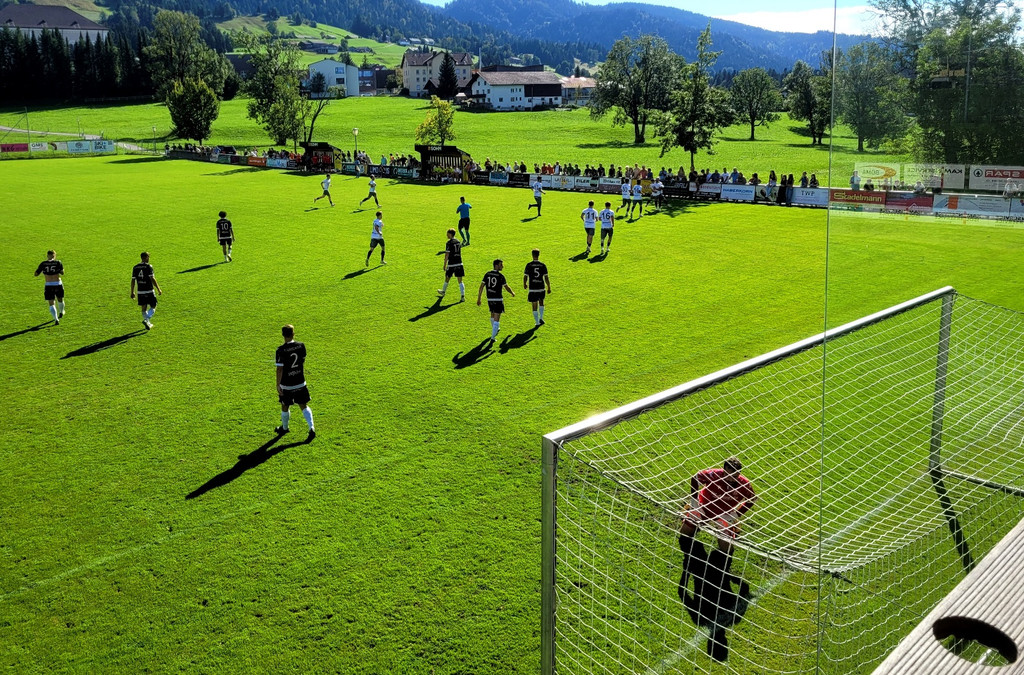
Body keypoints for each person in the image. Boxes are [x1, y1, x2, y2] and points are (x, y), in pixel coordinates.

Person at [680, 457, 756, 557]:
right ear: (723, 471)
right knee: (684, 534)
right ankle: (690, 511)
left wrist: (734, 515)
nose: (731, 479)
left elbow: (752, 499)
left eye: (735, 476)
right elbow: (695, 478)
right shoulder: (713, 474)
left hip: (724, 514)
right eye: (729, 475)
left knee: (726, 549)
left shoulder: (744, 484)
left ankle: (733, 527)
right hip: (703, 507)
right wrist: (695, 503)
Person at [274, 324, 316, 442]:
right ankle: (311, 428)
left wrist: (278, 384)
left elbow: (279, 369)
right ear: (293, 334)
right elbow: (302, 360)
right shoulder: (301, 346)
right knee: (303, 405)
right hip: (300, 381)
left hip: (287, 384)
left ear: (283, 335)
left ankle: (285, 428)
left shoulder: (280, 350)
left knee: (285, 405)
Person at [477, 259, 515, 344]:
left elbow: (481, 287)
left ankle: (495, 329)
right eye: (501, 265)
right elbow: (506, 287)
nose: (502, 266)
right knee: (497, 318)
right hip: (498, 299)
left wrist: (479, 298)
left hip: (490, 299)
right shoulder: (500, 276)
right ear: (496, 265)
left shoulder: (487, 274)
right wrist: (512, 292)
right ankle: (493, 338)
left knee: (492, 314)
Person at [130, 251, 162, 330]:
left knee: (144, 307)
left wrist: (132, 292)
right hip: (149, 290)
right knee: (154, 305)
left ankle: (147, 322)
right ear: (147, 257)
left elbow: (133, 280)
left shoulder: (135, 267)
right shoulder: (149, 266)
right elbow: (152, 279)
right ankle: (147, 320)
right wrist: (158, 289)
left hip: (140, 291)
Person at [34, 249, 65, 325]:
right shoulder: (58, 262)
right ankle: (61, 312)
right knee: (60, 299)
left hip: (48, 285)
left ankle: (56, 319)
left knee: (51, 303)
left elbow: (36, 274)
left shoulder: (43, 264)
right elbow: (62, 272)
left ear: (47, 255)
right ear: (54, 255)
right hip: (58, 284)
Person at [523, 249, 551, 327]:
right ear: (539, 255)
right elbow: (546, 277)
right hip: (541, 287)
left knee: (534, 304)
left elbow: (525, 276)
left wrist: (524, 284)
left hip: (533, 288)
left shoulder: (529, 265)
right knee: (541, 302)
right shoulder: (542, 265)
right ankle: (541, 318)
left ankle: (537, 322)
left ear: (532, 255)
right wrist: (548, 287)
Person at [438, 228, 465, 301]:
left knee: (447, 277)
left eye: (447, 234)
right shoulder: (458, 241)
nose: (446, 235)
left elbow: (447, 254)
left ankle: (443, 291)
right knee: (460, 280)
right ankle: (462, 296)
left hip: (451, 264)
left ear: (450, 234)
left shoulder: (449, 243)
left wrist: (444, 264)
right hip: (459, 263)